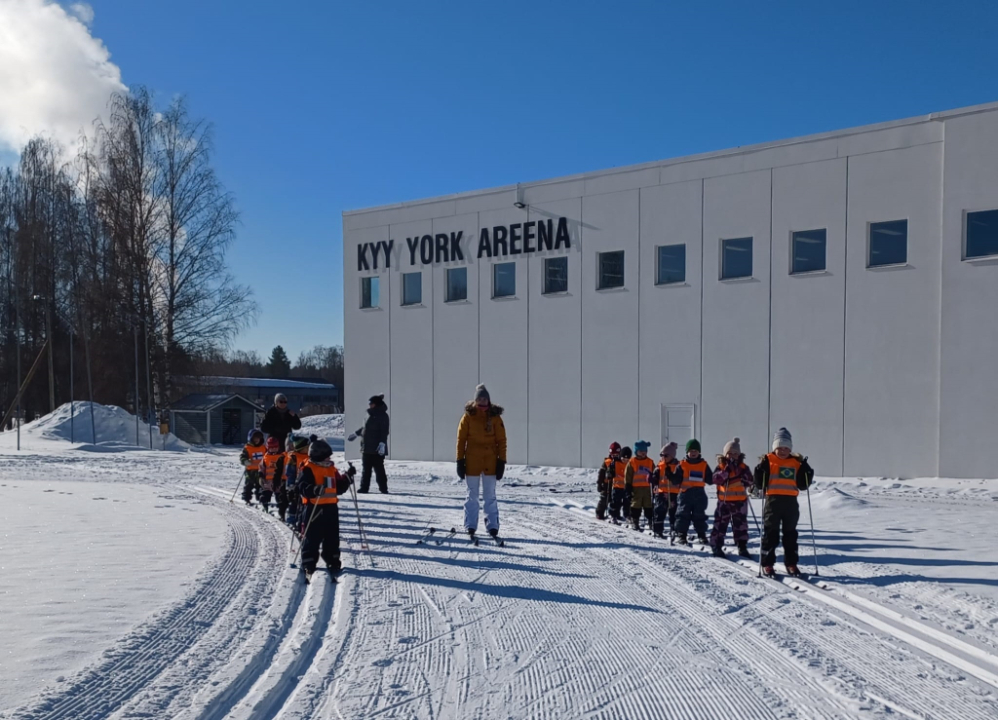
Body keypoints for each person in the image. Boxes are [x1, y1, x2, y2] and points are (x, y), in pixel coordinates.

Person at [753, 427, 814, 577]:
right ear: (775, 448)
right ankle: (768, 564)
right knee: (770, 534)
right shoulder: (768, 460)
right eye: (780, 447)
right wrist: (759, 471)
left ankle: (791, 563)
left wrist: (807, 472)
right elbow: (760, 483)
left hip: (790, 502)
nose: (783, 450)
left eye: (786, 447)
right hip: (773, 501)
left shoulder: (795, 463)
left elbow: (802, 485)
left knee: (790, 535)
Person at [296, 438, 355, 582]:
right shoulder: (308, 468)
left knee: (332, 536)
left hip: (330, 507)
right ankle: (309, 562)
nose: (329, 458)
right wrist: (314, 489)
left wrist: (347, 478)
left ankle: (333, 560)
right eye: (327, 456)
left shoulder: (331, 469)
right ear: (318, 455)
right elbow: (301, 487)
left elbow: (338, 489)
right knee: (312, 536)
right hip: (314, 508)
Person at [456, 384, 507, 542]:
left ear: (488, 399)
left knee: (490, 496)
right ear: (475, 399)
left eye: (484, 398)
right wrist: (460, 460)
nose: (482, 400)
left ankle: (492, 526)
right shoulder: (468, 417)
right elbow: (461, 440)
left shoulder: (495, 417)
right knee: (472, 496)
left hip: (490, 462)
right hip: (472, 461)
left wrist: (501, 461)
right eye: (479, 398)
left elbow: (501, 441)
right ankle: (470, 525)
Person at [710, 437, 753, 559]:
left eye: (735, 453)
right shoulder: (721, 467)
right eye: (730, 453)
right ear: (725, 454)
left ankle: (741, 545)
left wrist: (745, 478)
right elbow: (715, 479)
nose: (733, 456)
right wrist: (726, 472)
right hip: (724, 501)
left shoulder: (743, 467)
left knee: (740, 524)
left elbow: (750, 481)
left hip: (740, 501)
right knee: (720, 524)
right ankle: (716, 545)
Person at [667, 439, 713, 546]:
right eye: (691, 450)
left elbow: (710, 479)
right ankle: (681, 535)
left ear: (699, 452)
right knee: (683, 515)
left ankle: (701, 535)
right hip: (685, 494)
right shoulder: (682, 465)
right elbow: (676, 480)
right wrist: (670, 475)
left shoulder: (703, 465)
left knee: (699, 516)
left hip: (699, 495)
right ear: (687, 452)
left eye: (695, 451)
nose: (693, 453)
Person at [349, 394, 390, 493]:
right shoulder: (369, 414)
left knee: (379, 469)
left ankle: (383, 488)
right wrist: (356, 433)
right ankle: (364, 487)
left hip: (376, 448)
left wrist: (382, 444)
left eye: (371, 403)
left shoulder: (383, 416)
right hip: (366, 447)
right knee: (366, 469)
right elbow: (365, 428)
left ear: (376, 404)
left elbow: (384, 431)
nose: (369, 405)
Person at [625, 441, 656, 531]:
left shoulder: (650, 462)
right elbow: (628, 476)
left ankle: (650, 521)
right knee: (636, 506)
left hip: (647, 488)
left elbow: (655, 473)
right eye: (640, 451)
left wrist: (654, 480)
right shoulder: (632, 462)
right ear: (636, 452)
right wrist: (628, 488)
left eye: (645, 451)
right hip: (636, 489)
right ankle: (635, 521)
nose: (643, 453)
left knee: (649, 505)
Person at [652, 442, 680, 538]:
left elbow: (680, 478)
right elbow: (655, 477)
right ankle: (658, 530)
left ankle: (675, 530)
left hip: (674, 493)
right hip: (662, 492)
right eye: (662, 455)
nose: (663, 457)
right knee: (659, 511)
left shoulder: (678, 466)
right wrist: (653, 479)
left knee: (674, 513)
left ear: (672, 456)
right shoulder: (660, 466)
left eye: (666, 455)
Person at [284, 435, 310, 529]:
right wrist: (290, 485)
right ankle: (291, 518)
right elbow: (289, 472)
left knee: (304, 504)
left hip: (306, 484)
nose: (308, 449)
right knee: (295, 502)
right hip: (295, 485)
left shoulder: (309, 456)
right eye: (306, 448)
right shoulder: (293, 458)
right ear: (301, 448)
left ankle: (302, 522)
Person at [257, 436, 285, 516]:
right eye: (271, 447)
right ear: (268, 448)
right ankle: (265, 507)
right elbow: (261, 466)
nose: (273, 449)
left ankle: (281, 512)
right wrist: (260, 474)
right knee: (264, 495)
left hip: (278, 481)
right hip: (267, 481)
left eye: (275, 447)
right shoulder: (266, 457)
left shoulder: (282, 456)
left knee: (280, 497)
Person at [239, 429, 266, 505]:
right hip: (250, 470)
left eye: (258, 438)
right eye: (255, 438)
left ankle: (260, 498)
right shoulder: (247, 448)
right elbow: (242, 457)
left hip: (260, 470)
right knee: (249, 485)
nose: (257, 440)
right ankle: (246, 498)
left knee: (260, 485)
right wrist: (245, 461)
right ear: (251, 438)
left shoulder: (263, 448)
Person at [596, 442, 622, 520]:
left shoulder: (621, 462)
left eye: (616, 455)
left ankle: (615, 514)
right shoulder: (607, 462)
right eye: (613, 455)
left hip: (617, 484)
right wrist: (599, 483)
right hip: (607, 484)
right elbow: (601, 473)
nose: (614, 456)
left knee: (616, 500)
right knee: (604, 499)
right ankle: (599, 513)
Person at [608, 446, 632, 522]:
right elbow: (609, 471)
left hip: (626, 487)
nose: (625, 460)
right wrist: (609, 474)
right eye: (623, 459)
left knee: (627, 503)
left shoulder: (630, 464)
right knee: (615, 502)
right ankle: (614, 515)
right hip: (617, 486)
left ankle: (627, 515)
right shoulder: (615, 462)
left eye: (627, 459)